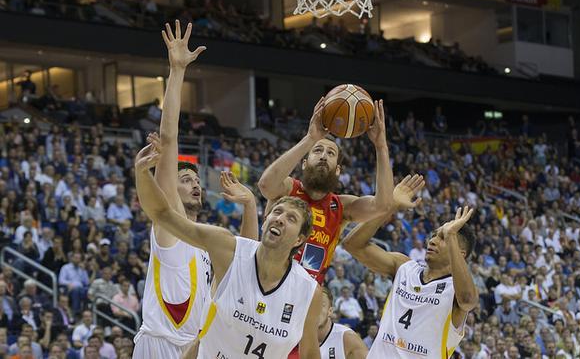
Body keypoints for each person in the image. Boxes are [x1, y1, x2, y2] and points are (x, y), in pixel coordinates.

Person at [132, 21, 258, 359]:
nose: (196, 183)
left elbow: (246, 260)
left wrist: (249, 207)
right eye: (185, 179)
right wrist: (176, 71)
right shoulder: (169, 226)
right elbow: (170, 139)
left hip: (195, 350)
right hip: (159, 345)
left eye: (197, 180)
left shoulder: (206, 244)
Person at [135, 142, 322, 359]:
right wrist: (142, 174)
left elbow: (309, 353)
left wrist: (250, 203)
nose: (280, 219)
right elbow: (162, 214)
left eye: (291, 219)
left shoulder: (308, 291)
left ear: (300, 239)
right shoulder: (227, 248)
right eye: (277, 212)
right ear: (265, 222)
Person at [258, 97, 394, 284]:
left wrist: (381, 146)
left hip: (303, 296)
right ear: (304, 164)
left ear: (338, 170)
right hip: (264, 281)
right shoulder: (288, 188)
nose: (323, 156)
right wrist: (310, 138)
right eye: (317, 151)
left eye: (330, 153)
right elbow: (265, 185)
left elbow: (383, 205)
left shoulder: (342, 206)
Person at [343, 175, 479, 358]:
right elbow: (353, 245)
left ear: (460, 253)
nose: (432, 240)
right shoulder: (403, 266)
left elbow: (469, 300)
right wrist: (390, 206)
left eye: (443, 238)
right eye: (435, 235)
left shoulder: (455, 289)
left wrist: (452, 236)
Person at [319, 287, 368, 359]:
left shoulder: (347, 338)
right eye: (311, 305)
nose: (315, 310)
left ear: (330, 311)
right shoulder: (298, 338)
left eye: (320, 305)